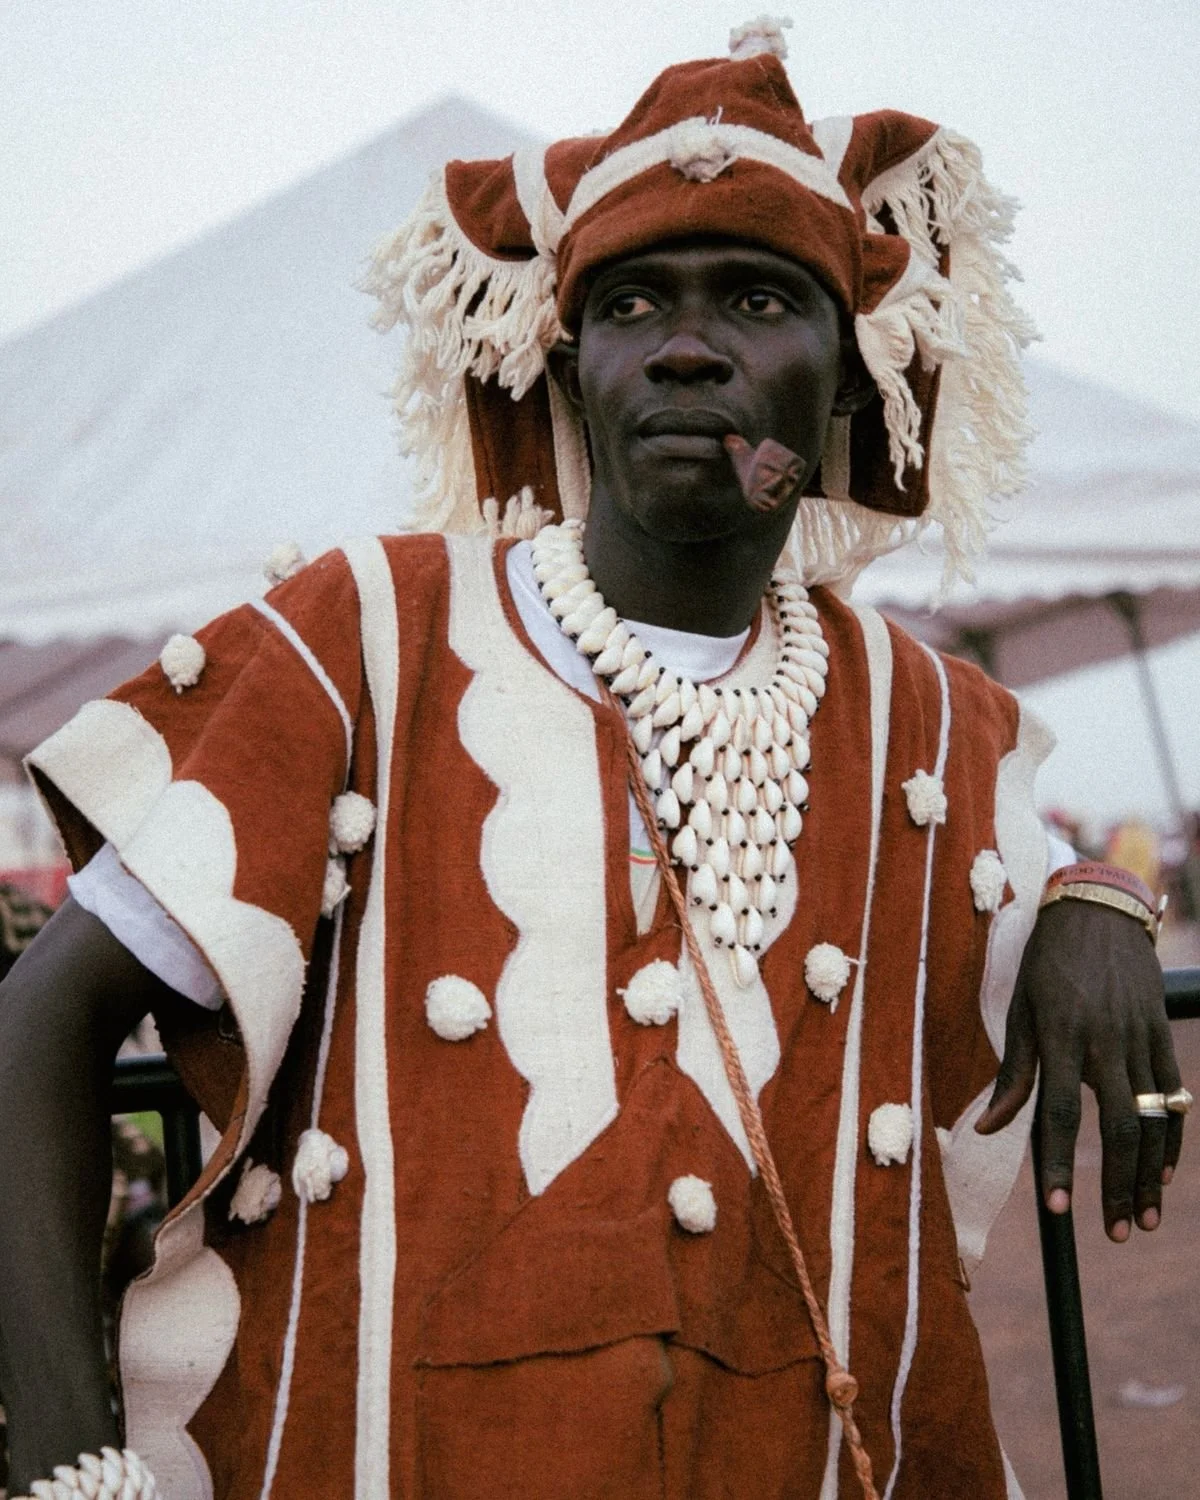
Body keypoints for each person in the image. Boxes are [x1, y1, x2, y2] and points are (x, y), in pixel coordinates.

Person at [0, 20, 1186, 1500]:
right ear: (570, 370)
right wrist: (65, 1465)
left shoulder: (930, 721)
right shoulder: (367, 633)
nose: (688, 346)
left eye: (757, 298)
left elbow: (1024, 862)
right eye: (632, 305)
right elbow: (40, 1023)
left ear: (841, 382)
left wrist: (1094, 899)